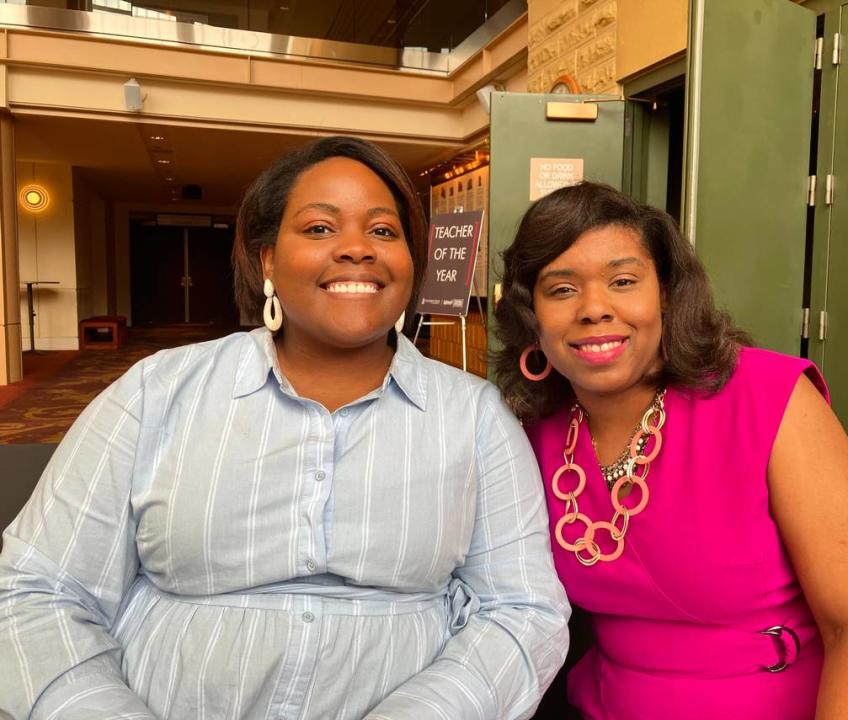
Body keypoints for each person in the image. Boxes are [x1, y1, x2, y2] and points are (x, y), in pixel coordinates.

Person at [0, 136, 569, 719]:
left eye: (382, 231)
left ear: (411, 262)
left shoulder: (475, 416)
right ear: (267, 259)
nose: (356, 249)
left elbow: (521, 610)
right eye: (320, 228)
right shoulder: (158, 391)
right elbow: (38, 588)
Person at [493, 182, 848, 720]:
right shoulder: (532, 433)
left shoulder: (767, 397)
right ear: (531, 316)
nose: (594, 309)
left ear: (667, 294)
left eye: (623, 281)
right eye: (561, 290)